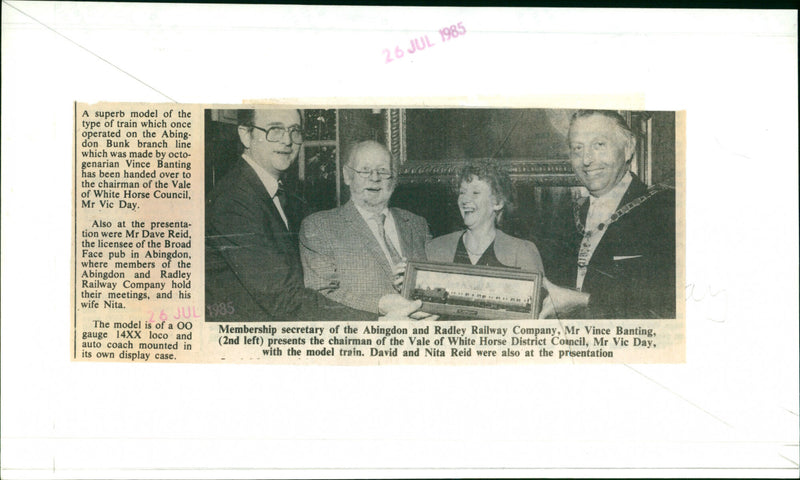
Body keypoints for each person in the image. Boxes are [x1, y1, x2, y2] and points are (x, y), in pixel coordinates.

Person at [205, 109, 425, 322]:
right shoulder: (233, 200)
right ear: (246, 134)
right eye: (275, 130)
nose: (287, 141)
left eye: (295, 131)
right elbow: (284, 298)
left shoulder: (286, 198)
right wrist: (377, 320)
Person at [540, 110, 676, 319]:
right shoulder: (564, 214)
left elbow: (668, 306)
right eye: (578, 148)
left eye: (599, 145)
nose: (586, 160)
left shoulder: (665, 210)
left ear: (628, 147)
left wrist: (584, 301)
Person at [299, 141, 431, 313]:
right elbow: (321, 294)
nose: (374, 178)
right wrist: (379, 305)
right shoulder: (319, 226)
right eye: (365, 170)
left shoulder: (417, 224)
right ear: (347, 175)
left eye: (383, 170)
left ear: (394, 178)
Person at [426, 161, 545, 273]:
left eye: (475, 193)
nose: (464, 199)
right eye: (462, 192)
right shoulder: (436, 248)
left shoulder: (521, 252)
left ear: (498, 203)